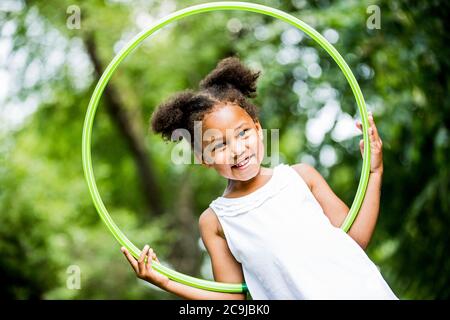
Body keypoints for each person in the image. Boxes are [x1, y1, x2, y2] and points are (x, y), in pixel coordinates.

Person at [121, 56, 398, 300]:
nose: (238, 150)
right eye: (218, 145)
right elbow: (232, 301)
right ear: (204, 158)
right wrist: (167, 282)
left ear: (258, 129)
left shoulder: (301, 177)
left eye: (243, 133)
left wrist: (374, 172)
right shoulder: (216, 221)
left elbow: (355, 242)